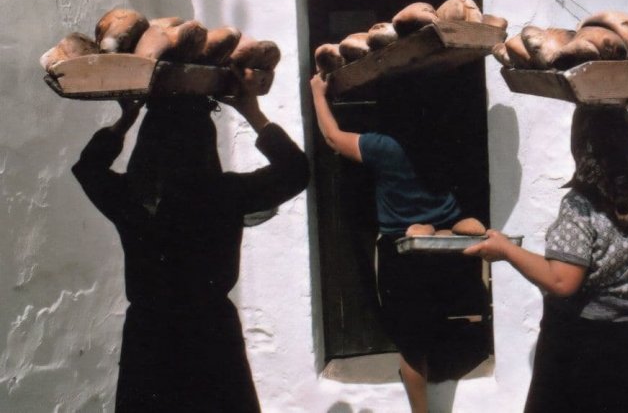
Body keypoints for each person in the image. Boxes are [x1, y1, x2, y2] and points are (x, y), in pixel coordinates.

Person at [71, 86, 309, 412]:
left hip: (150, 339)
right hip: (211, 336)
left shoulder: (131, 197)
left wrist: (126, 118)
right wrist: (251, 111)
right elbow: (296, 170)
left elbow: (87, 168)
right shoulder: (225, 194)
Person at [465, 102, 628, 413]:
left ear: (581, 146)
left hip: (588, 348)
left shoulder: (582, 204)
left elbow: (562, 281)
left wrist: (506, 250)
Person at [310, 72, 487, 413]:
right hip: (448, 253)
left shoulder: (384, 146)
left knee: (412, 347)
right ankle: (440, 226)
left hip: (403, 254)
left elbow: (332, 138)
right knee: (438, 327)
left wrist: (318, 93)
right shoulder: (445, 140)